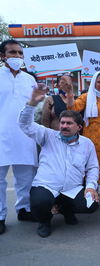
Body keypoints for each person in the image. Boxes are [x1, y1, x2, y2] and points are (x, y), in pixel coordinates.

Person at [19, 85, 99, 237]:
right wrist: (31, 104)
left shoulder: (87, 143)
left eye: (69, 123)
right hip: (46, 185)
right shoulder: (48, 135)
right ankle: (45, 220)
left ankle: (64, 208)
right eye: (62, 123)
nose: (64, 126)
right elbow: (25, 125)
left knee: (91, 204)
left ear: (79, 127)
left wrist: (90, 187)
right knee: (39, 203)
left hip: (71, 188)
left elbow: (93, 167)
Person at [66, 71, 100, 206]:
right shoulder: (87, 97)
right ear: (94, 83)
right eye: (99, 82)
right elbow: (72, 108)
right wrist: (69, 93)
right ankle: (92, 195)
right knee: (92, 166)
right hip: (92, 139)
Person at [0, 40, 38, 234]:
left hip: (25, 134)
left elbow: (34, 108)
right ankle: (0, 216)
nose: (17, 56)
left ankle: (25, 209)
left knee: (25, 176)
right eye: (12, 52)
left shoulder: (29, 79)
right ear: (2, 56)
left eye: (20, 53)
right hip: (1, 134)